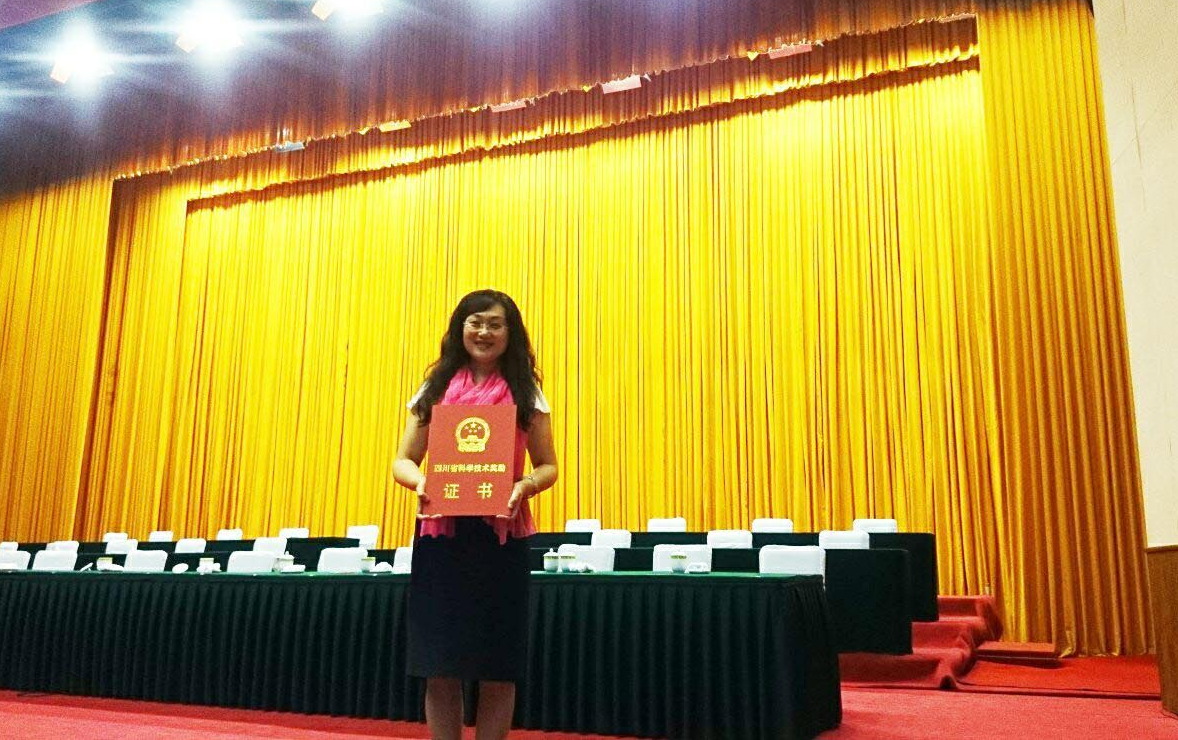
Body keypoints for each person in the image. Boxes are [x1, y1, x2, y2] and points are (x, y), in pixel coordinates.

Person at [391, 289, 558, 740]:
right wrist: (420, 482)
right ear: (460, 329)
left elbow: (548, 465)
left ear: (510, 332)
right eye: (475, 322)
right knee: (439, 662)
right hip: (441, 539)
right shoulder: (435, 389)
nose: (484, 332)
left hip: (501, 538)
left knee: (497, 664)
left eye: (495, 324)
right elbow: (403, 461)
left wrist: (525, 485)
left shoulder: (526, 393)